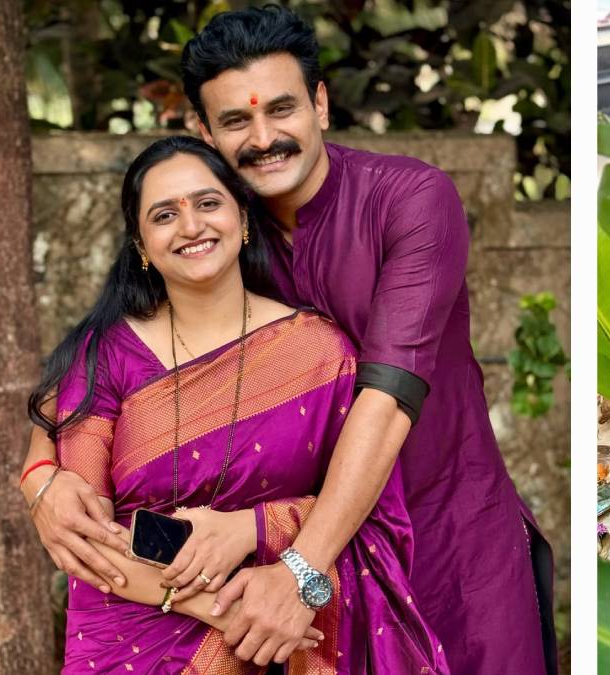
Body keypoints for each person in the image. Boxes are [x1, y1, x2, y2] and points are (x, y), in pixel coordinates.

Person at [20, 7, 555, 672]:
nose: (264, 137)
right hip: (292, 578)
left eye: (282, 109)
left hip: (446, 532)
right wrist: (41, 476)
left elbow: (387, 398)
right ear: (204, 131)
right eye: (236, 121)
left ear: (320, 104)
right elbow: (104, 356)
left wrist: (300, 565)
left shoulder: (410, 201)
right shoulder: (218, 234)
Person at [27, 136, 446, 673]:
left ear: (243, 219)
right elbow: (86, 539)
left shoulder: (319, 352)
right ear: (141, 244)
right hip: (126, 639)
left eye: (208, 203)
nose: (191, 226)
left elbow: (369, 511)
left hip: (283, 628)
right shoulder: (105, 356)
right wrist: (222, 609)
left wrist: (257, 529)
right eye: (164, 215)